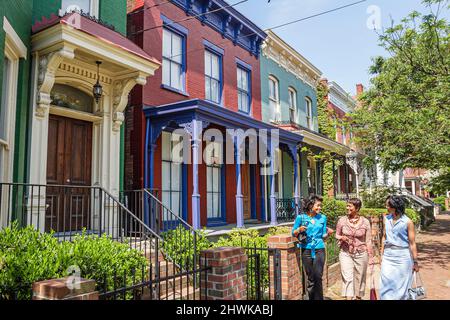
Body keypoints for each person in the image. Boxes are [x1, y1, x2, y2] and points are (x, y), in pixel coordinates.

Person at [292, 195, 333, 300]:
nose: (320, 208)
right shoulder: (300, 217)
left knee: (318, 276)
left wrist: (328, 234)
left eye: (320, 206)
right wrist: (300, 229)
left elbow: (323, 235)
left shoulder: (323, 218)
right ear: (310, 205)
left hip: (319, 248)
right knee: (310, 277)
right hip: (306, 249)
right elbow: (293, 233)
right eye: (318, 205)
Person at [380, 195, 420, 300]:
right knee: (386, 283)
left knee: (402, 285)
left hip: (403, 256)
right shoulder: (386, 219)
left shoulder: (408, 222)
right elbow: (384, 236)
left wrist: (415, 261)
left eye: (388, 205)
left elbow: (412, 243)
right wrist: (381, 254)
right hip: (388, 255)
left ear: (395, 206)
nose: (386, 207)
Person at [335, 198, 374, 300]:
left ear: (357, 208)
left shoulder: (365, 222)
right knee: (347, 277)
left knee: (360, 277)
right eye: (347, 206)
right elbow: (337, 235)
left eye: (350, 206)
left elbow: (368, 240)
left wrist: (371, 257)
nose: (347, 208)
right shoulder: (342, 220)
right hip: (345, 252)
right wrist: (341, 237)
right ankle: (349, 298)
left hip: (361, 253)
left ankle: (358, 297)